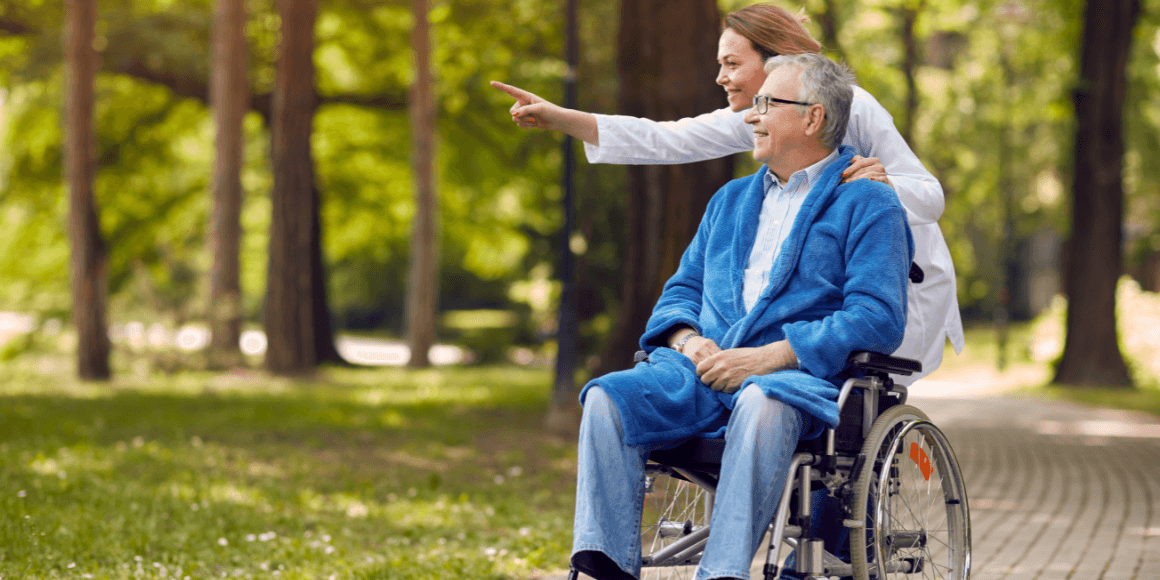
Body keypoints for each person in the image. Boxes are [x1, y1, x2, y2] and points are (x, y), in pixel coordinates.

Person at [570, 53, 913, 580]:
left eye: (765, 104)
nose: (750, 116)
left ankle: (723, 573)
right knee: (606, 398)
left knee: (761, 399)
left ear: (812, 118)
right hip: (701, 373)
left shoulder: (868, 202)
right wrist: (688, 341)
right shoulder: (728, 201)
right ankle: (608, 567)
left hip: (796, 380)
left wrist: (770, 357)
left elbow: (876, 316)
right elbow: (681, 291)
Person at [491, 3, 962, 384]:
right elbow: (665, 139)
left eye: (733, 64)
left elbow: (930, 195)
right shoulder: (751, 120)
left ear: (775, 60)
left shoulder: (851, 105)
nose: (721, 77)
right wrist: (558, 117)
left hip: (895, 281)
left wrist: (881, 184)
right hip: (815, 296)